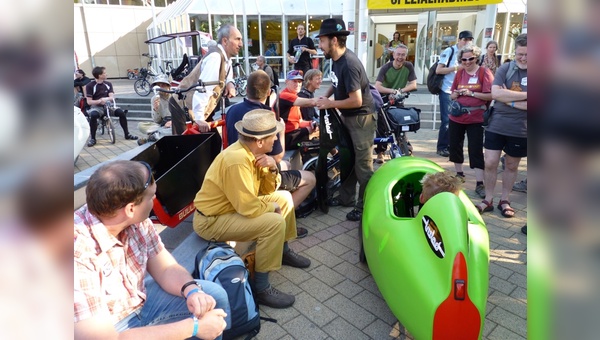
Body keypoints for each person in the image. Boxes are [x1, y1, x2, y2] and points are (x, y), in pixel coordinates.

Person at [74, 160, 229, 339]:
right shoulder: (76, 252)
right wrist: (193, 328)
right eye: (151, 196)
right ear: (131, 208)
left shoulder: (131, 218)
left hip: (139, 302)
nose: (155, 200)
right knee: (201, 322)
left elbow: (165, 268)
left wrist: (191, 290)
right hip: (111, 327)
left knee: (212, 298)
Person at [194, 109, 311, 309]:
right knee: (273, 222)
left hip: (229, 210)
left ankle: (283, 250)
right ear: (259, 141)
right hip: (211, 220)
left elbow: (265, 190)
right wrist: (270, 206)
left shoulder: (252, 153)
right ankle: (262, 288)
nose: (275, 137)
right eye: (273, 135)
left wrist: (272, 167)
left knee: (283, 198)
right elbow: (247, 206)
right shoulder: (237, 160)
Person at [226, 70, 315, 235]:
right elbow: (276, 157)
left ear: (246, 90)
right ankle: (283, 219)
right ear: (268, 92)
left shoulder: (232, 110)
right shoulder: (266, 116)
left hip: (240, 169)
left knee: (287, 164)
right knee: (310, 179)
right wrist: (280, 131)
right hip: (257, 175)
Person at [315, 18, 376, 222]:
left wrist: (331, 104)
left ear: (333, 40)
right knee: (347, 160)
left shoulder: (349, 64)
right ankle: (346, 199)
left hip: (361, 120)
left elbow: (356, 100)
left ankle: (364, 205)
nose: (319, 45)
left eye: (322, 41)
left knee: (363, 166)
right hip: (348, 116)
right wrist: (327, 95)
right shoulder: (336, 60)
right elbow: (336, 82)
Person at [475, 33, 527, 218]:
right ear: (515, 52)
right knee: (490, 162)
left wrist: (508, 98)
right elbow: (495, 94)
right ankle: (488, 199)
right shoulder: (505, 68)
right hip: (497, 124)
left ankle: (504, 200)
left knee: (511, 165)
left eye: (527, 54)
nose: (523, 58)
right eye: (520, 54)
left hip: (522, 129)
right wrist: (523, 97)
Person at [449, 45, 493, 199]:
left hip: (476, 117)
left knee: (475, 149)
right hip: (457, 116)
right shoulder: (460, 72)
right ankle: (459, 174)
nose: (467, 62)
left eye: (470, 59)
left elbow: (491, 95)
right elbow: (452, 94)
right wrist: (455, 94)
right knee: (455, 146)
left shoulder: (484, 72)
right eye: (464, 59)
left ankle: (480, 183)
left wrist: (471, 93)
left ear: (476, 58)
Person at [184, 24, 242, 133]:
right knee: (189, 146)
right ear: (225, 41)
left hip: (199, 109)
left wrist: (230, 83)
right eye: (237, 39)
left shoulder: (226, 58)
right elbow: (203, 88)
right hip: (186, 108)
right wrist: (199, 119)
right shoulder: (215, 58)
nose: (241, 44)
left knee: (213, 142)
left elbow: (226, 74)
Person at [374, 44, 417, 163]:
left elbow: (413, 84)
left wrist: (399, 92)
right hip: (384, 98)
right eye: (398, 54)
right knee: (382, 126)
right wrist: (392, 91)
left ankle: (404, 147)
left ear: (406, 56)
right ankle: (380, 152)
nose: (400, 57)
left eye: (403, 55)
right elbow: (377, 86)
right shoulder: (386, 67)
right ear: (393, 55)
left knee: (400, 124)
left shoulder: (408, 66)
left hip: (398, 98)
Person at [435, 30, 474, 157]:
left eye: (469, 40)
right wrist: (457, 68)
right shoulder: (449, 51)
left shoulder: (470, 54)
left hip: (462, 91)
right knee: (446, 120)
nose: (467, 42)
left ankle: (452, 146)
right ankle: (442, 147)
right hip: (447, 90)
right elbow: (439, 70)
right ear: (459, 39)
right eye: (465, 39)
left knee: (456, 121)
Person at [85, 66, 138, 147]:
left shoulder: (108, 84)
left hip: (108, 105)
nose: (106, 74)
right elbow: (89, 101)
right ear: (99, 75)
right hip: (96, 107)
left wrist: (105, 99)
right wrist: (99, 101)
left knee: (121, 113)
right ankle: (93, 138)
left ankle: (127, 134)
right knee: (93, 115)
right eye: (104, 73)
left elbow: (111, 97)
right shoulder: (90, 86)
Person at [279, 70, 319, 149]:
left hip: (293, 134)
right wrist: (333, 102)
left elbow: (299, 122)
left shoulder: (294, 96)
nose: (297, 84)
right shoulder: (285, 95)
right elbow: (311, 102)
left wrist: (311, 123)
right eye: (294, 81)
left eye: (300, 82)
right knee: (321, 135)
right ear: (286, 82)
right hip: (285, 137)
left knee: (320, 130)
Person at [137, 74, 173, 144]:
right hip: (163, 124)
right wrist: (155, 109)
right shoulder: (155, 98)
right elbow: (157, 120)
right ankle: (158, 134)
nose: (160, 87)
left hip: (175, 122)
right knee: (141, 125)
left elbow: (183, 114)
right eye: (158, 85)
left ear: (168, 86)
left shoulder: (175, 95)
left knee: (173, 129)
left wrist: (173, 122)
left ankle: (155, 136)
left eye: (163, 85)